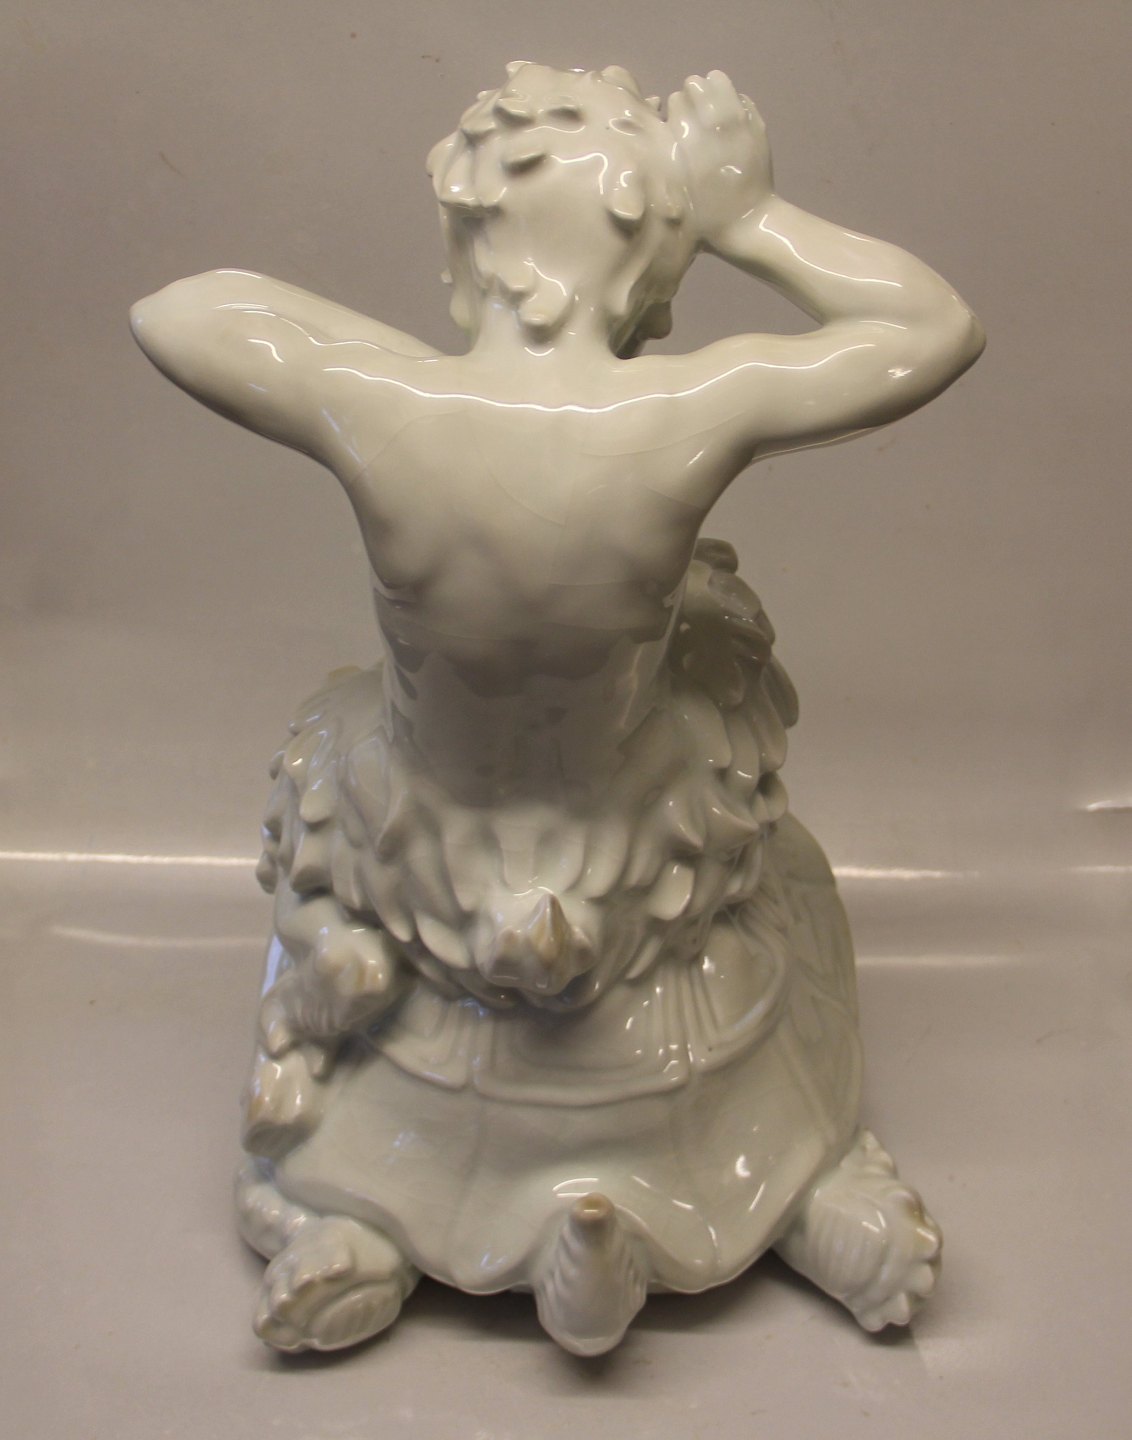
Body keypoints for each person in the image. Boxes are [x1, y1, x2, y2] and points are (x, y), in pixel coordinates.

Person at [133, 64, 979, 1355]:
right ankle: (785, 1186)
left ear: (472, 242)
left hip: (429, 843)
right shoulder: (684, 406)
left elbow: (180, 311)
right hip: (627, 843)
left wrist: (385, 363)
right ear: (651, 265)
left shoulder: (381, 400)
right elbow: (934, 326)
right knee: (768, 844)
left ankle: (357, 1208)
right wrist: (752, 219)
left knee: (330, 841)